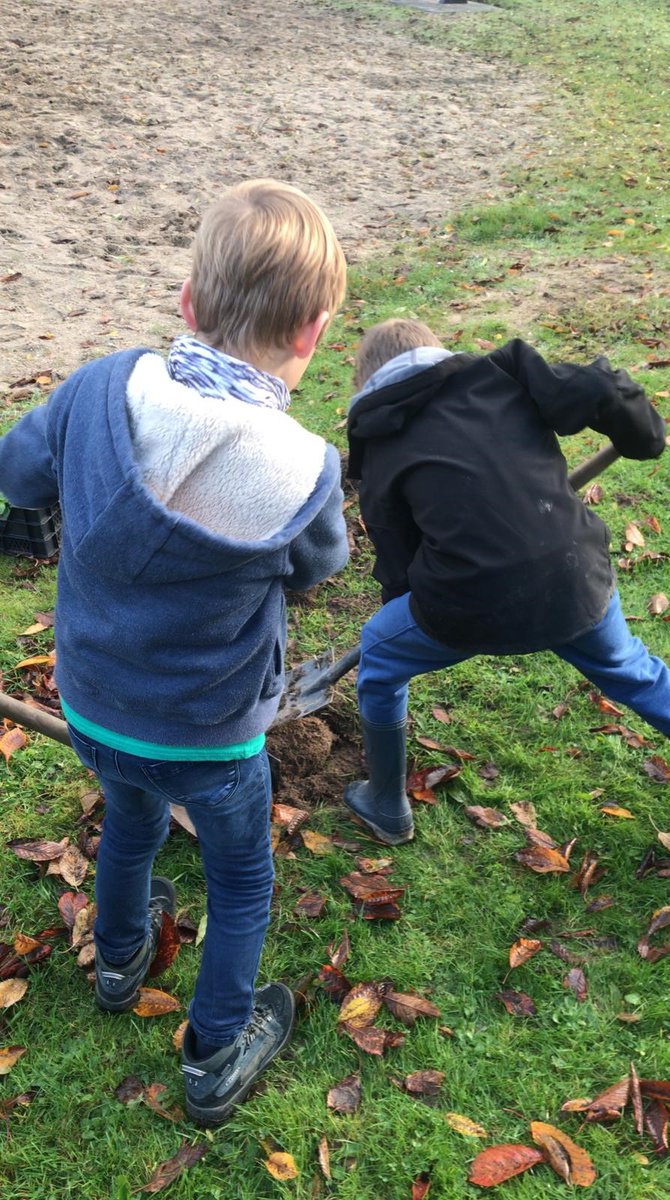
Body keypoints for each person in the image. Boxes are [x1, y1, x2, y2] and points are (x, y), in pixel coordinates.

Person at [0, 179, 349, 1125]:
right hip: (210, 733)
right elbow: (320, 566)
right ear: (313, 332)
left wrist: (39, 515)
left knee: (130, 824)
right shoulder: (305, 467)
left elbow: (16, 472)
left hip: (96, 705)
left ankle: (117, 963)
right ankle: (211, 1053)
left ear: (189, 303)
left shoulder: (97, 388)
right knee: (241, 880)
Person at [343, 317, 670, 846]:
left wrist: (406, 621)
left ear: (366, 380)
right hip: (573, 577)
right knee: (635, 672)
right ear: (438, 353)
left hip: (465, 604)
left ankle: (385, 804)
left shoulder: (380, 446)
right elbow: (598, 384)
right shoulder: (507, 374)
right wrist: (645, 437)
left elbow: (399, 561)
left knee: (380, 664)